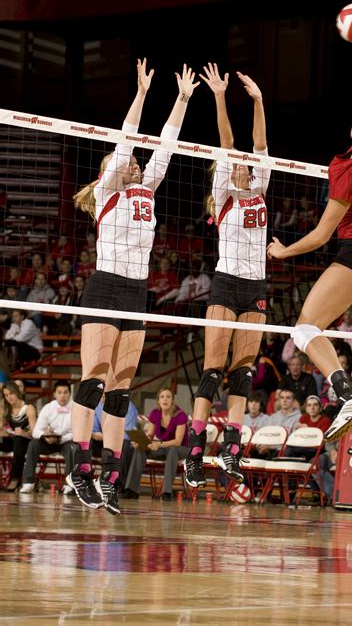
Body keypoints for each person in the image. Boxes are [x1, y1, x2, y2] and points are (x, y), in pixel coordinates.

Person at [66, 60, 198, 515]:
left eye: (138, 163)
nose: (137, 163)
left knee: (121, 389)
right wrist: (141, 92)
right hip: (104, 287)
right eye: (127, 163)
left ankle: (110, 474)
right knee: (94, 379)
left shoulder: (149, 189)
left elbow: (166, 147)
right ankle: (79, 467)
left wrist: (181, 99)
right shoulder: (109, 192)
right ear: (110, 172)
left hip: (135, 292)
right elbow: (127, 139)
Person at [267, 7, 352, 460]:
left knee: (303, 328)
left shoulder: (347, 171)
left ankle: (345, 391)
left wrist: (284, 253)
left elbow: (323, 235)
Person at [184, 63, 270, 489]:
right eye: (234, 164)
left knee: (243, 372)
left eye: (244, 164)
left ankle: (232, 452)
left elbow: (258, 142)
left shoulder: (260, 186)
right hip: (225, 283)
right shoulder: (224, 194)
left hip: (255, 287)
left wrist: (257, 101)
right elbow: (229, 142)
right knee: (213, 370)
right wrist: (219, 96)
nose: (241, 164)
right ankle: (195, 454)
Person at [124, 387, 188, 500]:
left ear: (172, 400)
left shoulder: (180, 415)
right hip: (163, 447)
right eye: (162, 397)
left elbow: (178, 441)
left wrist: (160, 444)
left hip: (181, 449)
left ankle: (167, 492)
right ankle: (132, 489)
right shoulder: (155, 413)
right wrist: (141, 442)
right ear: (158, 400)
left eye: (168, 397)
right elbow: (150, 435)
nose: (165, 399)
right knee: (140, 449)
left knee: (172, 450)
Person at [20, 380, 74, 493]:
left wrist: (60, 439)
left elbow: (78, 432)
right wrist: (45, 436)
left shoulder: (76, 408)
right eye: (59, 392)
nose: (62, 396)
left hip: (66, 441)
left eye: (65, 392)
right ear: (54, 394)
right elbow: (36, 431)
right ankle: (29, 482)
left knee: (72, 448)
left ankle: (70, 484)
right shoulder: (48, 408)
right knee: (33, 444)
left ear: (70, 393)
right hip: (48, 441)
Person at [1, 381, 37, 491]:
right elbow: (1, 427)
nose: (9, 397)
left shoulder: (28, 407)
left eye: (11, 393)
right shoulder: (6, 408)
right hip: (12, 440)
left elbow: (34, 432)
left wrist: (23, 433)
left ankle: (15, 478)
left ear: (17, 392)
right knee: (14, 440)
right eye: (6, 395)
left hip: (26, 441)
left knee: (19, 440)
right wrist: (4, 432)